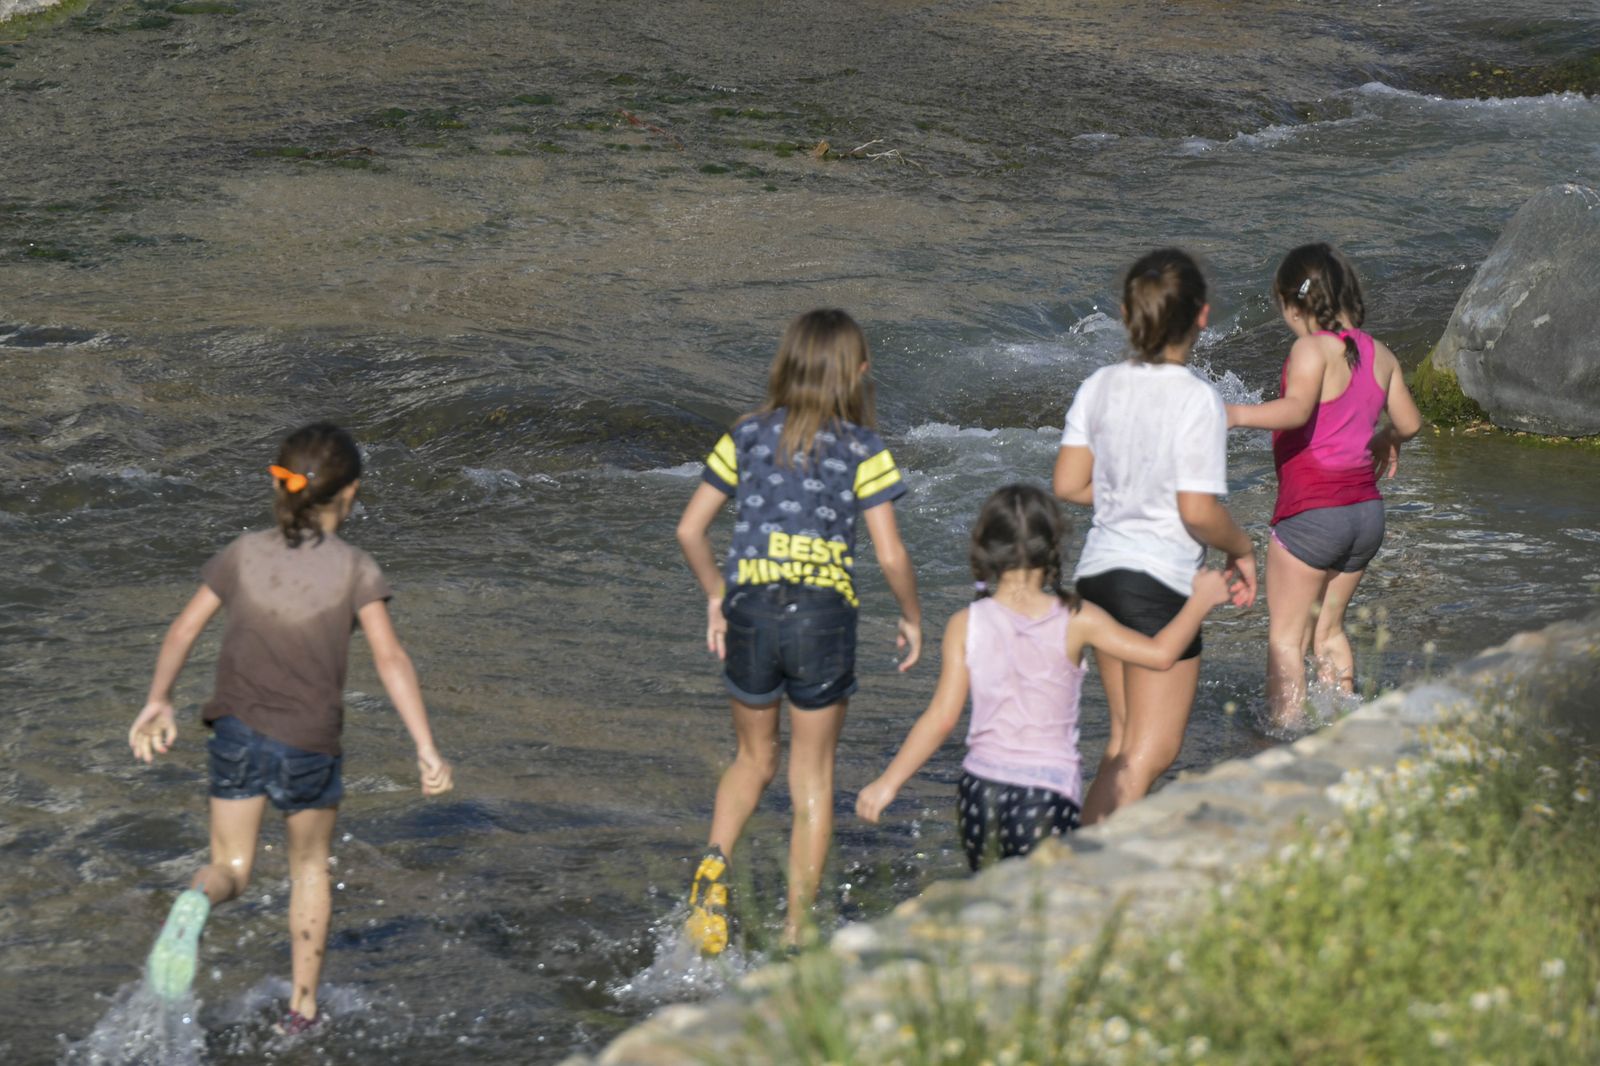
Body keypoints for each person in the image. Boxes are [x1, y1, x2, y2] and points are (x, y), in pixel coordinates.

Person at [128, 422, 453, 1034]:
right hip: (308, 744)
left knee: (231, 867)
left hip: (235, 732)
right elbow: (391, 660)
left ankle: (197, 898)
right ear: (349, 494)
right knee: (309, 868)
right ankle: (302, 1011)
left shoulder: (243, 553)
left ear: (280, 484)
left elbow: (183, 630)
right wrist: (425, 747)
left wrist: (158, 700)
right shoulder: (356, 569)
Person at [675, 308, 922, 954]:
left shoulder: (746, 434)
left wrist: (717, 596)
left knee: (753, 759)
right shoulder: (864, 448)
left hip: (751, 609)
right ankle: (795, 934)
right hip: (821, 617)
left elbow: (690, 529)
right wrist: (912, 614)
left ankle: (712, 872)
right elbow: (891, 554)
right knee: (811, 776)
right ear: (856, 372)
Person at [855, 485, 1229, 868]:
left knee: (992, 890)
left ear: (984, 548)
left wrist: (888, 783)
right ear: (1053, 547)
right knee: (1041, 894)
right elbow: (1161, 656)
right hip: (1044, 794)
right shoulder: (1076, 618)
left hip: (979, 792)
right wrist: (1199, 602)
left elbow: (942, 718)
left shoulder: (966, 623)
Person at [1053, 248, 1257, 825]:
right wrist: (1241, 548)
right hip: (1158, 581)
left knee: (1123, 745)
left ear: (1126, 314)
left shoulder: (1098, 385)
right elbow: (1197, 511)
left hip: (1098, 575)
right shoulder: (1197, 398)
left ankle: (1086, 853)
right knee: (1152, 752)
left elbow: (1068, 483)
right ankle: (1078, 865)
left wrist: (1129, 495)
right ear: (1202, 316)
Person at [1225, 243, 1423, 727]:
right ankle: (1343, 724)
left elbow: (1296, 410)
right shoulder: (1380, 353)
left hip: (1313, 513)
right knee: (1328, 631)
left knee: (1286, 639)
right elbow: (1410, 423)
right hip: (1365, 515)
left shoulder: (1310, 349)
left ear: (1294, 305)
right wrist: (1387, 438)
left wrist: (1232, 414)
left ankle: (1286, 735)